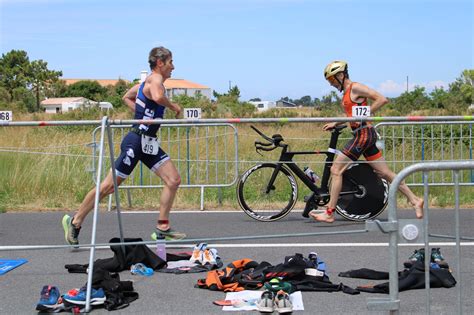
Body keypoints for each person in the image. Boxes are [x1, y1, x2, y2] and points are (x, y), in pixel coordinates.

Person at [62, 46, 185, 245]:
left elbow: (126, 97)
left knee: (173, 180)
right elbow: (157, 96)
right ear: (160, 63)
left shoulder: (143, 83)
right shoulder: (155, 79)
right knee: (108, 187)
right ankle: (75, 222)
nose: (173, 67)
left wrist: (142, 112)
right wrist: (173, 106)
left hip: (148, 143)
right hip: (136, 142)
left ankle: (162, 227)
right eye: (171, 62)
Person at [310, 60, 424, 223]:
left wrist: (366, 113)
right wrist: (337, 122)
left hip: (363, 135)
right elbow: (353, 114)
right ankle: (415, 200)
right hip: (364, 134)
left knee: (336, 170)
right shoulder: (347, 92)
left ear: (341, 75)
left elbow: (381, 99)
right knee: (384, 173)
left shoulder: (355, 87)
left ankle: (329, 212)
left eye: (332, 80)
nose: (331, 84)